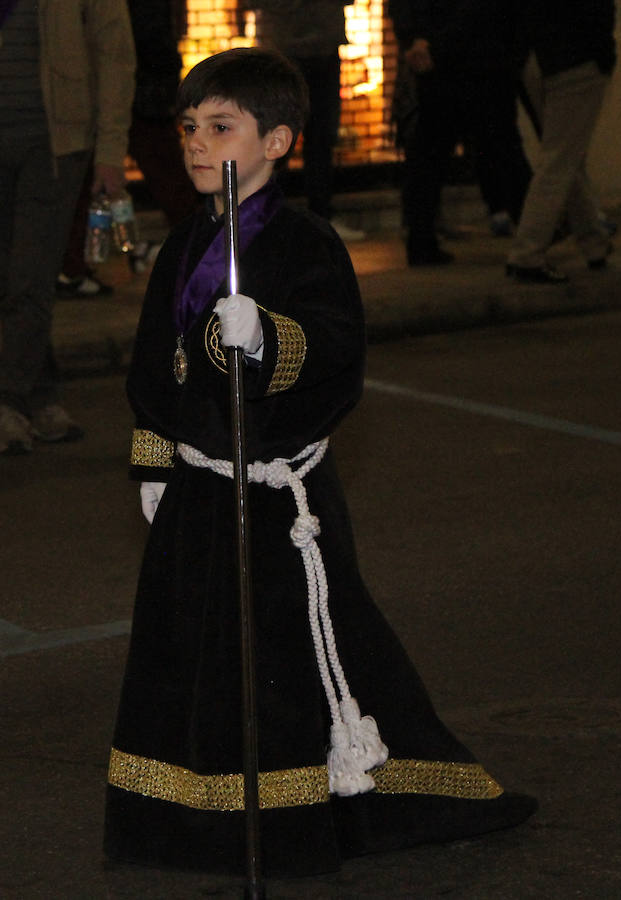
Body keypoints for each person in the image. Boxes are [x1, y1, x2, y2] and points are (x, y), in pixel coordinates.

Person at [104, 47, 537, 878]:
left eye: (220, 127)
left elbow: (337, 350)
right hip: (199, 489)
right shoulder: (181, 248)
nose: (196, 143)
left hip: (277, 499)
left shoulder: (305, 245)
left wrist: (266, 339)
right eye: (190, 126)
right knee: (187, 658)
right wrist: (156, 460)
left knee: (290, 658)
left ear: (278, 141)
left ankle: (308, 809)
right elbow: (154, 368)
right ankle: (187, 818)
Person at [0, 0, 136, 455]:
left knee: (29, 279)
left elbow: (114, 50)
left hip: (54, 148)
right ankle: (40, 396)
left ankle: (8, 402)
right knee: (12, 283)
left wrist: (111, 150)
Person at [56, 0, 199, 297]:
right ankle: (196, 251)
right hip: (139, 94)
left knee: (161, 180)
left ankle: (75, 266)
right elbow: (141, 42)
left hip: (136, 93)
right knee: (167, 180)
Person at [388, 0, 531, 265]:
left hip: (447, 64)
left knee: (429, 156)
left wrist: (415, 41)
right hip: (481, 63)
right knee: (502, 147)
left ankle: (421, 240)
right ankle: (534, 230)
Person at [506, 0, 616, 284]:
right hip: (576, 59)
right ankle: (527, 253)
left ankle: (594, 241)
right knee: (558, 162)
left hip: (535, 57)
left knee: (566, 156)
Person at [248, 0, 366, 242]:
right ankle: (264, 218)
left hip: (322, 48)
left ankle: (320, 217)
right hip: (286, 51)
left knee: (321, 137)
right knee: (278, 138)